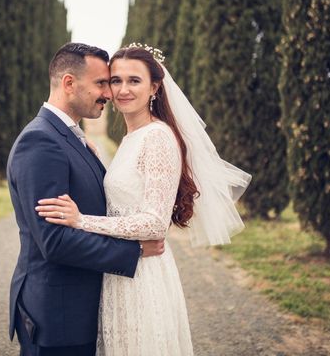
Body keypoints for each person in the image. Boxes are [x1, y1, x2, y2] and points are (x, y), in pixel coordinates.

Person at [36, 43, 252, 355]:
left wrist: (81, 221)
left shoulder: (158, 138)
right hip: (121, 271)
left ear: (154, 87)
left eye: (134, 81)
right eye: (115, 80)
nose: (122, 89)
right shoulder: (131, 139)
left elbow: (154, 224)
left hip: (143, 275)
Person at [7, 42, 165, 356]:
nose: (110, 93)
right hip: (57, 314)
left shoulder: (71, 137)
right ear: (69, 83)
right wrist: (132, 252)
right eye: (101, 83)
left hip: (74, 308)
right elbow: (54, 241)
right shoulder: (41, 141)